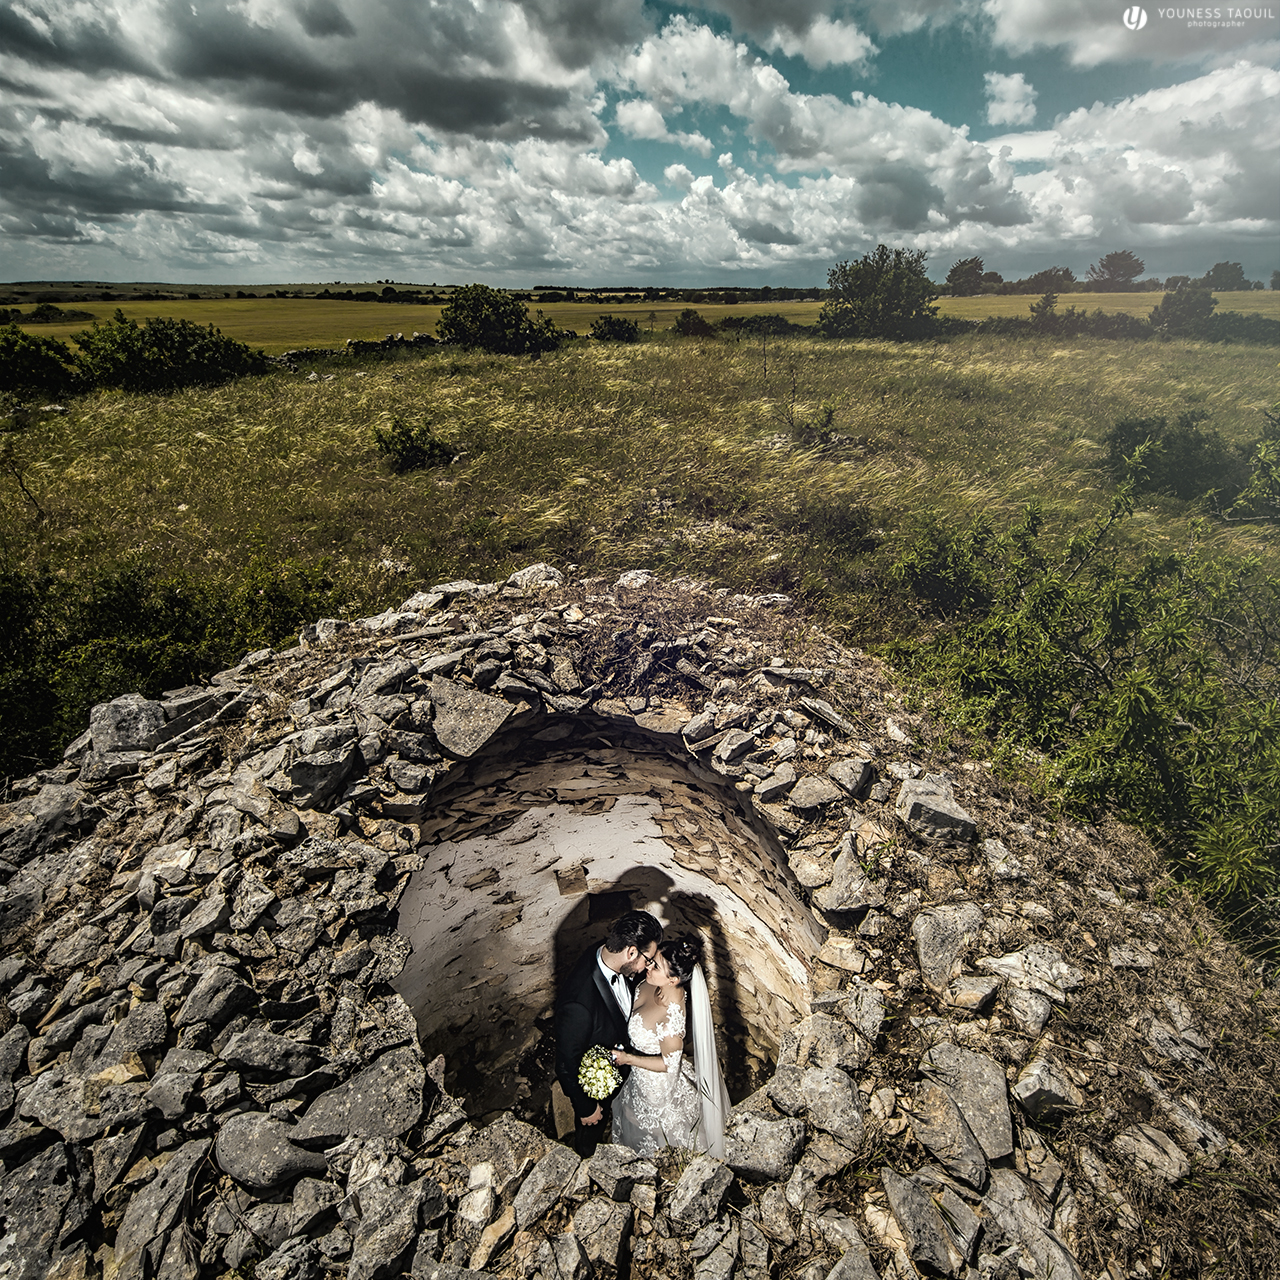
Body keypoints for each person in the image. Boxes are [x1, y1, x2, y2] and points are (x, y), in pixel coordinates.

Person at [609, 936, 730, 1159]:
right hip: (639, 1075)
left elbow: (668, 1065)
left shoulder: (670, 1023)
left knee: (656, 1132)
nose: (648, 966)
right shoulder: (652, 982)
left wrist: (628, 1059)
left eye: (656, 966)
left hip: (657, 1087)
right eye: (652, 961)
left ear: (673, 980)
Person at [554, 909, 663, 1157]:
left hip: (626, 1068)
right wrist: (586, 1108)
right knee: (591, 1132)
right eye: (647, 959)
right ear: (631, 952)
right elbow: (565, 1063)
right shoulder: (578, 1004)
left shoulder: (607, 953)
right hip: (598, 1085)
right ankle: (585, 1156)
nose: (648, 966)